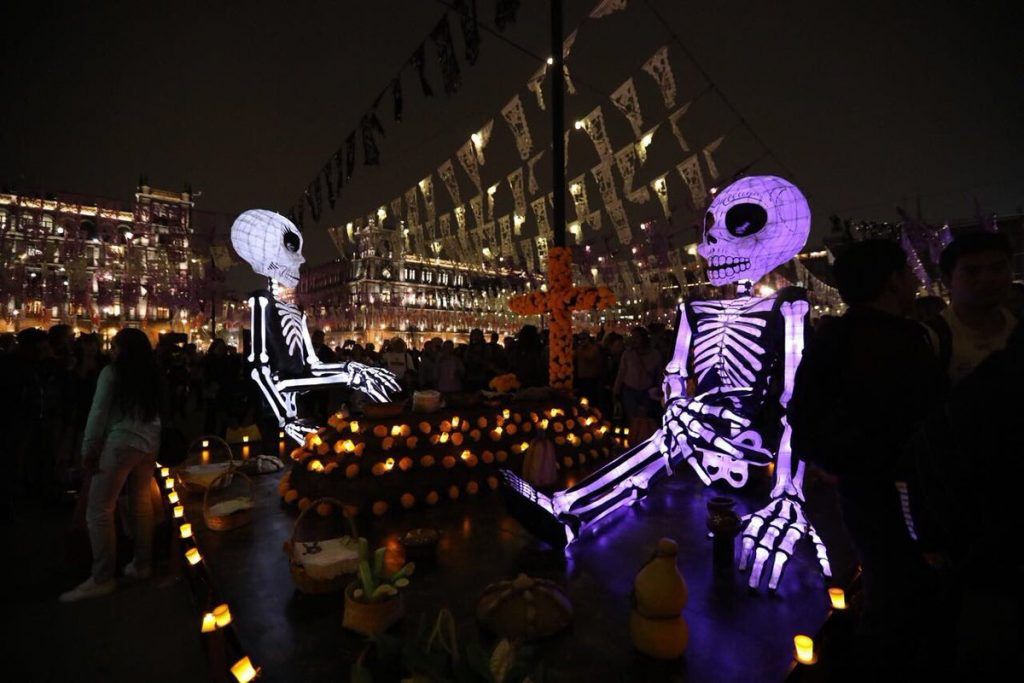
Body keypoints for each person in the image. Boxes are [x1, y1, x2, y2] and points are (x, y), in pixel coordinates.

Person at [788, 239, 946, 670]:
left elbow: (802, 410)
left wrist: (824, 462)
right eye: (907, 272)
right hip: (898, 478)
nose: (914, 281)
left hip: (861, 477)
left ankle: (883, 648)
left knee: (882, 568)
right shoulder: (910, 339)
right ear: (892, 281)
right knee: (901, 571)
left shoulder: (836, 337)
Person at [60, 328, 162, 602]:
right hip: (150, 440)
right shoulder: (151, 373)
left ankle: (102, 576)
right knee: (141, 502)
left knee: (99, 508)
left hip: (121, 442)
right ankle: (143, 564)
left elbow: (99, 411)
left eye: (116, 347)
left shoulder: (112, 373)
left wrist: (89, 448)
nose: (112, 351)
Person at [925, 232, 1018, 384]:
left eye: (998, 268)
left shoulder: (1017, 325)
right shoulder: (932, 338)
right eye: (972, 272)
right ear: (948, 281)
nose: (988, 279)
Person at [613, 327, 662, 422]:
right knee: (632, 419)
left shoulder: (655, 355)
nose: (634, 340)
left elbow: (659, 375)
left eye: (637, 337)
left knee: (645, 420)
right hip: (629, 392)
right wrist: (616, 391)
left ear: (644, 338)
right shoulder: (628, 354)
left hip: (647, 392)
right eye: (633, 337)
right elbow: (621, 373)